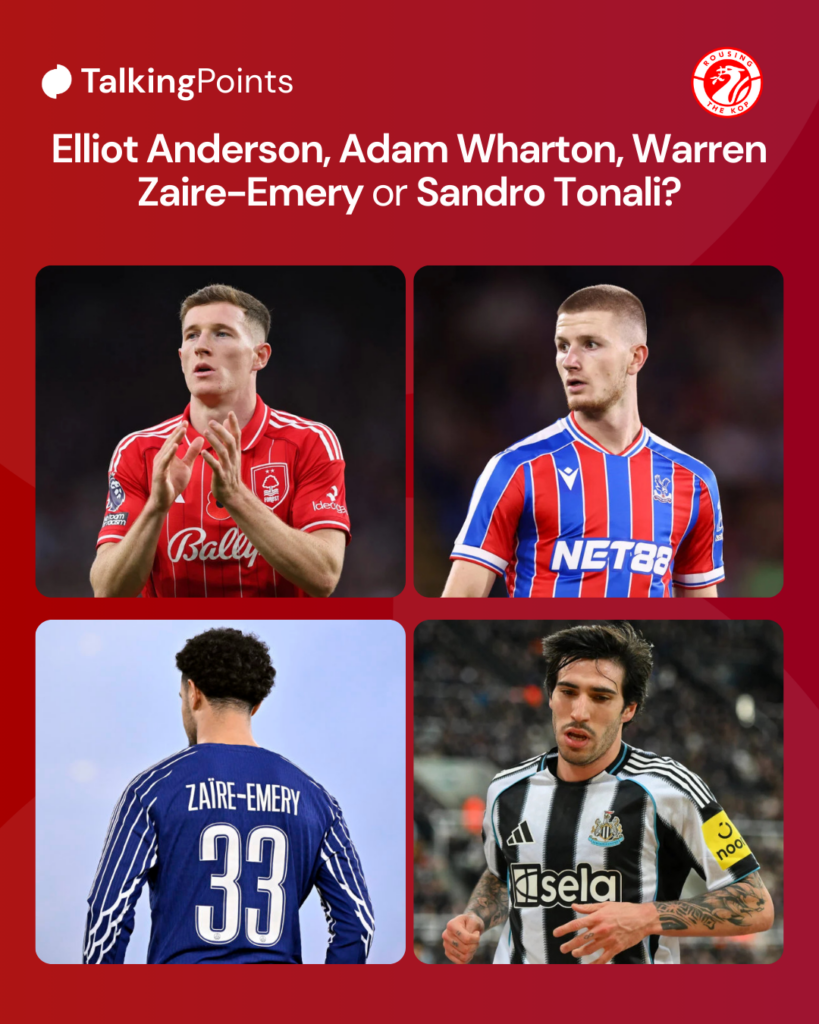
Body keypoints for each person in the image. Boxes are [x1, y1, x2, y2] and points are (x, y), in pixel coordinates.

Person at [442, 623, 774, 964]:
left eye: (600, 697)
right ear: (551, 696)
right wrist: (475, 917)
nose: (579, 712)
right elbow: (501, 875)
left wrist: (645, 918)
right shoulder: (506, 789)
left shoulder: (671, 788)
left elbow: (755, 904)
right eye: (568, 692)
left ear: (628, 709)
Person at [83, 628, 374, 964]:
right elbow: (358, 922)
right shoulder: (316, 800)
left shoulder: (151, 790)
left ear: (193, 693)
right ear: (257, 704)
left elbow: (108, 912)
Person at [443, 285, 724, 598]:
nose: (570, 361)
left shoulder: (694, 481)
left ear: (635, 358)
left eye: (590, 344)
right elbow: (458, 606)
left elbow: (701, 616)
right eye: (562, 346)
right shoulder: (516, 469)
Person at [90, 284, 349, 597]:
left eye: (221, 333)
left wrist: (237, 497)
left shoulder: (310, 442)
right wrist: (156, 508)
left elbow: (324, 577)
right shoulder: (138, 451)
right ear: (182, 357)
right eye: (191, 335)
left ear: (260, 356)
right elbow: (106, 592)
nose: (201, 346)